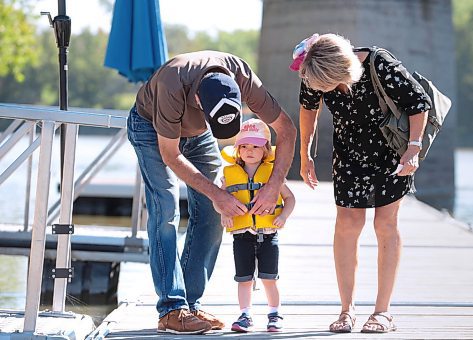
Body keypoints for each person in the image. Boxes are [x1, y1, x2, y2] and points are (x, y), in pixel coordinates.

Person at [127, 51, 296, 335]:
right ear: (198, 102)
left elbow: (286, 130)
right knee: (166, 210)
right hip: (151, 126)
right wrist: (219, 195)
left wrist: (273, 186)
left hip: (199, 131)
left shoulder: (242, 77)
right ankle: (171, 309)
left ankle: (191, 305)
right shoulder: (172, 83)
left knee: (210, 213)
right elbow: (171, 155)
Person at [290, 33, 431, 333]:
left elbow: (419, 102)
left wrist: (414, 148)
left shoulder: (380, 63)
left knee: (385, 224)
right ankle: (346, 310)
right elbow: (308, 109)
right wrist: (305, 155)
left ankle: (383, 312)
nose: (329, 91)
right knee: (347, 224)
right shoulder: (314, 68)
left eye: (331, 85)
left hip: (392, 153)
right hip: (348, 155)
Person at [219, 119, 296, 333]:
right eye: (244, 146)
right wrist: (224, 212)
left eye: (255, 146)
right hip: (241, 236)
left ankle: (274, 313)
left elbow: (290, 199)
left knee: (269, 278)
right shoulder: (228, 175)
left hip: (268, 235)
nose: (249, 150)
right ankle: (245, 315)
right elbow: (219, 200)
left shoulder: (274, 174)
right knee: (243, 279)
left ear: (265, 150)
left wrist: (284, 217)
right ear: (237, 149)